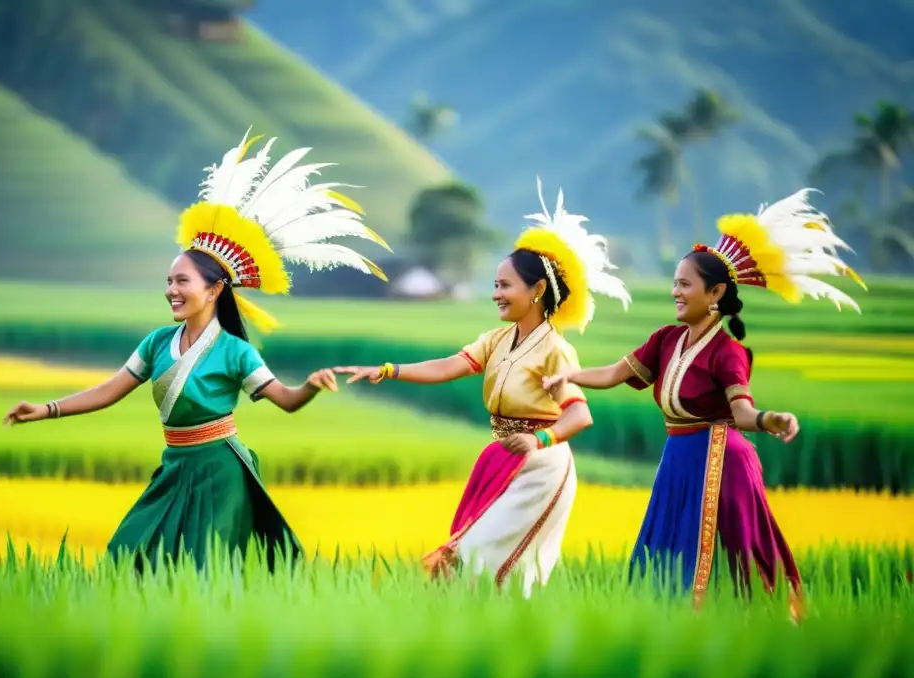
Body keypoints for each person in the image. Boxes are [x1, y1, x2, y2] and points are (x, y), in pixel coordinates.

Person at [3, 128, 390, 573]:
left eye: (181, 281)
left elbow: (285, 401)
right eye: (168, 281)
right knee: (126, 557)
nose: (170, 290)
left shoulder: (236, 352)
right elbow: (108, 391)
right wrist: (46, 409)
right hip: (174, 467)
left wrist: (310, 386)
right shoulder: (155, 343)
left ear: (214, 290)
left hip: (220, 472)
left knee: (206, 570)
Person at [543, 188, 866, 618]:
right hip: (678, 460)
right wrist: (569, 375)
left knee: (729, 570)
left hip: (720, 461)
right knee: (669, 562)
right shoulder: (666, 339)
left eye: (684, 284)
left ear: (714, 293)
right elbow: (614, 374)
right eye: (674, 282)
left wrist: (772, 419)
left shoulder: (728, 351)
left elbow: (743, 414)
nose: (675, 291)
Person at [336, 178, 632, 597]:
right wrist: (388, 370)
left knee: (488, 561)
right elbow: (448, 367)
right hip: (503, 457)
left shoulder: (556, 351)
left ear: (538, 291)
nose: (496, 294)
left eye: (504, 286)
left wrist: (539, 440)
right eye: (494, 285)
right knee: (469, 555)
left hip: (542, 466)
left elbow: (579, 414)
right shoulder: (496, 340)